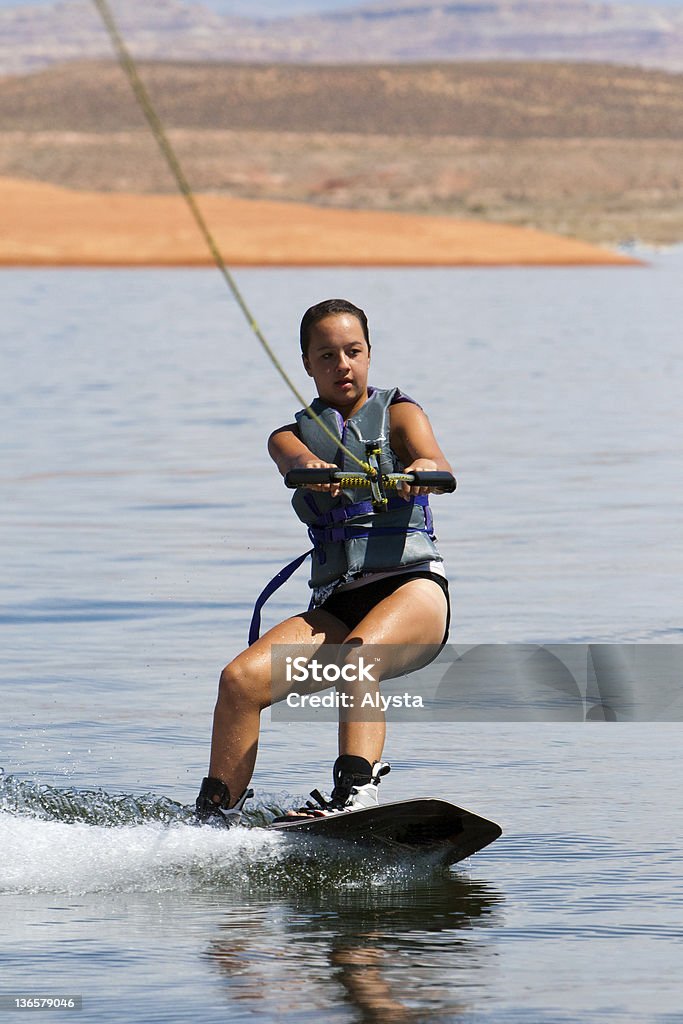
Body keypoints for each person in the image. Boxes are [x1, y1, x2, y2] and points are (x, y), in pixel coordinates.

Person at [196, 298, 452, 826]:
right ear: (307, 364)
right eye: (328, 355)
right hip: (336, 602)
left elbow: (436, 462)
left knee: (360, 659)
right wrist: (314, 467)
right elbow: (293, 459)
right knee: (239, 681)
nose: (343, 365)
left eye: (353, 352)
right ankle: (216, 819)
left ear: (369, 355)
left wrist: (416, 472)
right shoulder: (289, 436)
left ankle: (355, 793)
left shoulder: (402, 414)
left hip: (413, 590)